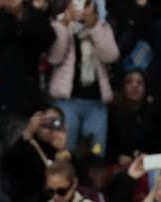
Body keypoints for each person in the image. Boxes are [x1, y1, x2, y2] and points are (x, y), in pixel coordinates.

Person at [48, 0, 118, 153]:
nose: (82, 9)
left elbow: (111, 56)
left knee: (96, 153)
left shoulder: (102, 27)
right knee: (65, 152)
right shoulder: (58, 25)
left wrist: (94, 26)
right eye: (77, 3)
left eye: (87, 4)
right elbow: (55, 57)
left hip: (96, 103)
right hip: (67, 101)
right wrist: (64, 27)